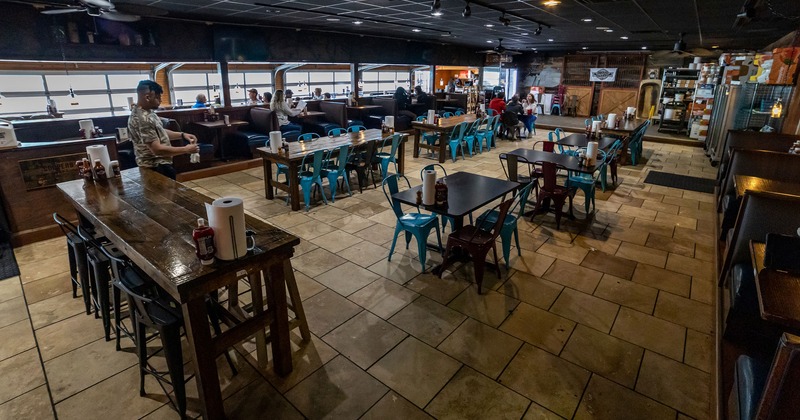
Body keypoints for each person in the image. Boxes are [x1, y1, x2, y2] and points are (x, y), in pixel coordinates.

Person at [128, 80, 199, 180]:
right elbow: (157, 150)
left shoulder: (147, 112)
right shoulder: (143, 119)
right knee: (165, 195)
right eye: (158, 97)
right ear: (147, 97)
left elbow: (159, 132)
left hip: (161, 165)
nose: (160, 100)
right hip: (155, 167)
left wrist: (182, 135)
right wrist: (185, 149)